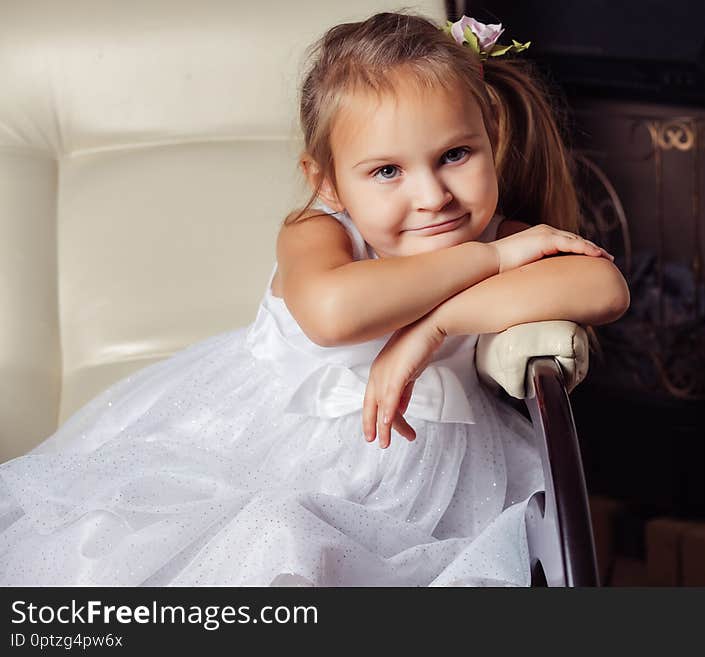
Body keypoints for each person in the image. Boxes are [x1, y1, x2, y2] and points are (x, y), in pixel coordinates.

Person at [0, 12, 629, 586]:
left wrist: (432, 331)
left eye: (455, 155)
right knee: (271, 541)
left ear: (491, 138)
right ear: (326, 180)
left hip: (443, 478)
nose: (433, 195)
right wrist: (489, 262)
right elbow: (333, 316)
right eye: (388, 171)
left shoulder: (499, 232)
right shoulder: (320, 231)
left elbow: (603, 287)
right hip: (268, 454)